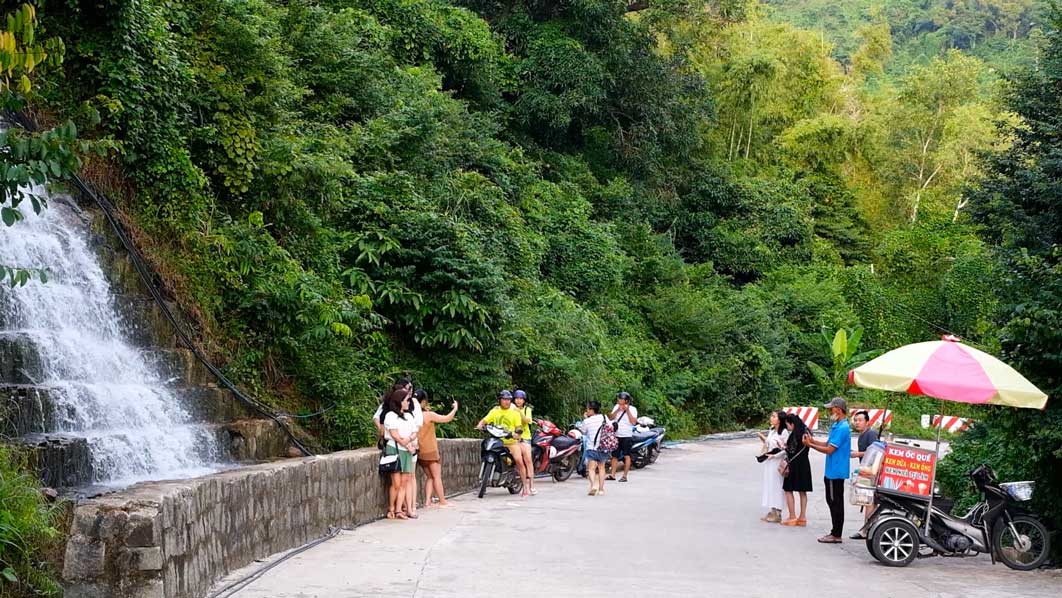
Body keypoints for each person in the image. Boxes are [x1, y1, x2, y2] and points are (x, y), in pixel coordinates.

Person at [804, 397, 852, 544]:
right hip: (832, 470)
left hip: (835, 471)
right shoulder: (837, 425)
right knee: (832, 501)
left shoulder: (843, 428)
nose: (830, 411)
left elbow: (830, 450)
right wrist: (812, 441)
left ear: (838, 409)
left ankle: (836, 533)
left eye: (831, 408)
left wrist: (810, 445)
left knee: (835, 502)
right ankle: (835, 531)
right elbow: (827, 443)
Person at [475, 390, 526, 492]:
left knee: (519, 460)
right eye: (504, 399)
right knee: (485, 449)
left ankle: (525, 486)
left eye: (508, 399)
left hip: (510, 442)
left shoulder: (514, 413)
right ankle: (482, 484)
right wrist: (480, 425)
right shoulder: (494, 411)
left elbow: (519, 427)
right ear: (499, 400)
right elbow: (485, 420)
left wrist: (517, 433)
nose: (506, 401)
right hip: (496, 440)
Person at [415, 390, 459, 508]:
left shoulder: (412, 415)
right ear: (424, 401)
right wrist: (454, 409)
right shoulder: (428, 415)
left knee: (429, 476)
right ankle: (442, 501)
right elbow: (447, 418)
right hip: (430, 450)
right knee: (436, 476)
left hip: (419, 451)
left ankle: (427, 501)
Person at [381, 387, 416, 520]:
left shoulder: (408, 416)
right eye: (407, 400)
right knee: (396, 483)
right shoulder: (391, 416)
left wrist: (409, 441)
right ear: (400, 401)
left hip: (406, 450)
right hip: (395, 449)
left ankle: (398, 510)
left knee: (404, 482)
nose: (408, 403)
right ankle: (391, 508)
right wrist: (407, 443)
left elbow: (414, 432)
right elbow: (395, 435)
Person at [849, 409, 880, 539]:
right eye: (855, 420)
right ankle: (867, 528)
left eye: (860, 420)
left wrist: (857, 454)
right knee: (868, 500)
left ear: (867, 422)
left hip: (873, 471)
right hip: (866, 471)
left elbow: (875, 451)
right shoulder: (862, 435)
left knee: (869, 501)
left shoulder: (871, 434)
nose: (857, 423)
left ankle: (867, 530)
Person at [757, 410, 789, 523]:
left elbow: (786, 449)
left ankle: (778, 512)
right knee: (770, 485)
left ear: (779, 419)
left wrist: (775, 455)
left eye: (774, 416)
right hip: (769, 461)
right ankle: (772, 510)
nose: (771, 418)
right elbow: (769, 444)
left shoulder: (784, 432)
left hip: (777, 462)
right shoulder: (772, 431)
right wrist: (762, 438)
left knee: (777, 485)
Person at [781, 413, 812, 527]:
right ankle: (802, 517)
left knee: (788, 490)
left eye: (787, 425)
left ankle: (792, 516)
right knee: (802, 491)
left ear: (792, 423)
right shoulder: (806, 432)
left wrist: (784, 447)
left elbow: (791, 450)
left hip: (793, 465)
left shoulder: (794, 435)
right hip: (804, 465)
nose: (787, 427)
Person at [578, 401, 610, 496]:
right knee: (601, 468)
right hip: (603, 446)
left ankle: (593, 485)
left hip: (591, 447)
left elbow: (583, 432)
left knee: (591, 468)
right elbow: (611, 427)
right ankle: (601, 489)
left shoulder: (587, 421)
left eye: (588, 409)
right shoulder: (604, 417)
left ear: (592, 410)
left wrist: (585, 419)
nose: (586, 411)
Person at [608, 391, 639, 483]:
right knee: (614, 456)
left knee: (626, 455)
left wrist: (627, 410)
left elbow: (633, 422)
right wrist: (618, 410)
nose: (619, 400)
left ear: (626, 401)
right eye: (619, 399)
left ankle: (625, 476)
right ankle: (612, 475)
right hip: (617, 434)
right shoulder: (616, 407)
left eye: (621, 399)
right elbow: (610, 417)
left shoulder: (633, 409)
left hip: (627, 435)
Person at [512, 390, 536, 497]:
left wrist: (519, 412)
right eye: (516, 398)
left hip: (524, 437)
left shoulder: (527, 409)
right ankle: (523, 486)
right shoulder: (510, 409)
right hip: (513, 436)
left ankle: (531, 485)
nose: (518, 400)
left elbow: (528, 421)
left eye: (521, 399)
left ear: (524, 400)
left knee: (527, 459)